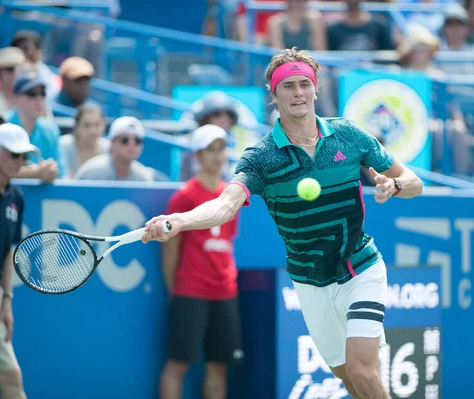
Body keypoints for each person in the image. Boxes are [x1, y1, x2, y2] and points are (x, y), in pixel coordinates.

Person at [142, 47, 423, 399]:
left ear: (316, 88)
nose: (298, 93)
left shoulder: (349, 136)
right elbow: (225, 206)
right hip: (310, 281)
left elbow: (415, 183)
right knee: (348, 379)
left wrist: (395, 184)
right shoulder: (260, 157)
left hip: (360, 267)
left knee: (361, 370)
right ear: (274, 95)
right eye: (288, 86)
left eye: (304, 84)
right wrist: (179, 220)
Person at [159, 124, 242, 399]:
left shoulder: (231, 195)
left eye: (222, 148)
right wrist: (175, 289)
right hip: (191, 291)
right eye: (211, 149)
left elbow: (227, 242)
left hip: (225, 291)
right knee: (178, 364)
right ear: (197, 156)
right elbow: (170, 251)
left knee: (219, 366)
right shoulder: (184, 196)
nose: (218, 156)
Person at [0, 123, 36, 399]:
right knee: (11, 377)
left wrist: (6, 299)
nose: (19, 162)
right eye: (13, 154)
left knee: (10, 377)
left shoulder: (16, 197)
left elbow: (9, 251)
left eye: (23, 156)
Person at [75, 116, 155, 182]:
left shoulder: (143, 178)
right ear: (112, 142)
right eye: (125, 140)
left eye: (137, 141)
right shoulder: (91, 173)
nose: (132, 145)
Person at [59, 104, 109, 178]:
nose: (93, 131)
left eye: (97, 125)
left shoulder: (109, 149)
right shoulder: (63, 146)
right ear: (77, 127)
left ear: (104, 126)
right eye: (87, 125)